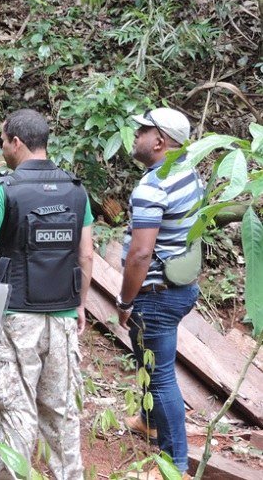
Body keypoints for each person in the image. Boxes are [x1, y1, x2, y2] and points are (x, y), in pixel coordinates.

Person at [0, 109, 93, 479]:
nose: (1, 148)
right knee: (62, 412)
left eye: (2, 141)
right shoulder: (77, 190)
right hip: (62, 314)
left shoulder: (3, 189)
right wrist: (80, 305)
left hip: (12, 314)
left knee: (14, 407)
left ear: (16, 142)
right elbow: (87, 253)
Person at [116, 107, 202, 477]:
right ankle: (149, 421)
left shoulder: (153, 185)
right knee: (148, 357)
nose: (135, 136)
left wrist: (124, 300)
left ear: (160, 141)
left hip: (156, 292)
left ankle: (175, 464)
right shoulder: (188, 173)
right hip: (181, 285)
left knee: (162, 376)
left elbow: (140, 253)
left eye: (142, 130)